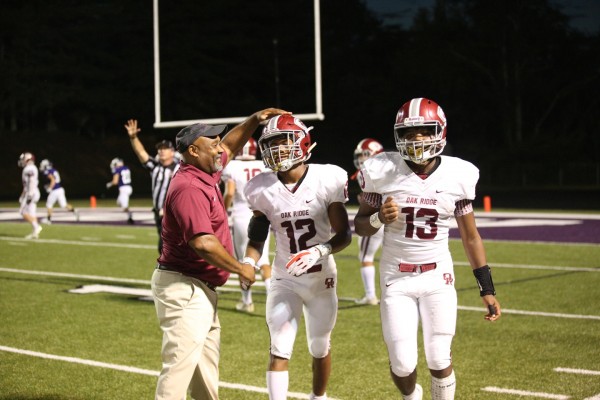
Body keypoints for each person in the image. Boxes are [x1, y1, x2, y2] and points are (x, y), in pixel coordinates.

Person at [354, 97, 501, 400]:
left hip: (438, 276)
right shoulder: (381, 170)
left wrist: (486, 286)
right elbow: (360, 226)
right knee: (403, 364)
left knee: (438, 358)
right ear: (398, 136)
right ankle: (411, 396)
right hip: (397, 276)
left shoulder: (457, 176)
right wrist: (380, 218)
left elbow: (470, 236)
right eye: (409, 133)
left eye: (424, 130)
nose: (417, 138)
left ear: (440, 132)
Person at [151, 107, 289, 400]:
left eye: (217, 141)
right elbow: (203, 243)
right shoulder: (189, 186)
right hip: (184, 288)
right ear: (192, 150)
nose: (219, 148)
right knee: (178, 372)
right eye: (211, 142)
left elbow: (230, 145)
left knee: (205, 376)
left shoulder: (203, 170)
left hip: (199, 288)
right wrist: (241, 268)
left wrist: (253, 120)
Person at [243, 114, 352, 400]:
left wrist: (319, 250)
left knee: (319, 345)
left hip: (321, 277)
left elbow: (344, 235)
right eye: (272, 143)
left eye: (284, 141)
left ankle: (319, 397)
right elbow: (257, 237)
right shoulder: (261, 188)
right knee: (279, 347)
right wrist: (248, 262)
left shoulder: (327, 178)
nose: (277, 149)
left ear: (302, 142)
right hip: (285, 278)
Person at [221, 138, 272, 313]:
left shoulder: (232, 166)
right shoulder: (263, 165)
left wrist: (221, 211)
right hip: (263, 214)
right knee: (264, 260)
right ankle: (273, 299)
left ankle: (247, 301)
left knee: (244, 261)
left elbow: (229, 192)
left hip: (242, 215)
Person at [124, 119, 179, 253]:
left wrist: (169, 209)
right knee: (165, 246)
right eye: (160, 149)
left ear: (172, 152)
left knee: (165, 246)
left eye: (165, 149)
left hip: (172, 213)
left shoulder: (179, 168)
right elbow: (141, 153)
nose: (161, 151)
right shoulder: (155, 166)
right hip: (157, 212)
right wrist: (133, 137)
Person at [351, 138, 384, 305]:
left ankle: (370, 295)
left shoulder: (368, 172)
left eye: (364, 155)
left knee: (365, 256)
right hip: (391, 219)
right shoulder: (389, 170)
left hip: (376, 219)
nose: (361, 159)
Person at [39, 159, 76, 224]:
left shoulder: (47, 171)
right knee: (64, 205)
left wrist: (50, 188)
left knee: (49, 204)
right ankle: (75, 212)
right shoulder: (54, 170)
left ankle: (48, 220)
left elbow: (53, 179)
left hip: (55, 190)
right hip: (60, 189)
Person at [18, 152, 42, 239]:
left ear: (27, 160)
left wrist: (30, 194)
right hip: (31, 192)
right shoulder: (29, 168)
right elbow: (26, 185)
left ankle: (36, 227)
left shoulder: (29, 168)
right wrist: (22, 195)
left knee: (23, 212)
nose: (22, 161)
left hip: (32, 192)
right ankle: (35, 233)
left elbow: (31, 182)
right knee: (32, 213)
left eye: (23, 159)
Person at [106, 157, 134, 224]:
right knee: (118, 202)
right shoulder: (126, 168)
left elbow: (115, 181)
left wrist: (110, 184)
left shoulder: (118, 169)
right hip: (129, 187)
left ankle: (130, 217)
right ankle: (128, 214)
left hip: (124, 189)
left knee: (125, 207)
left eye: (115, 164)